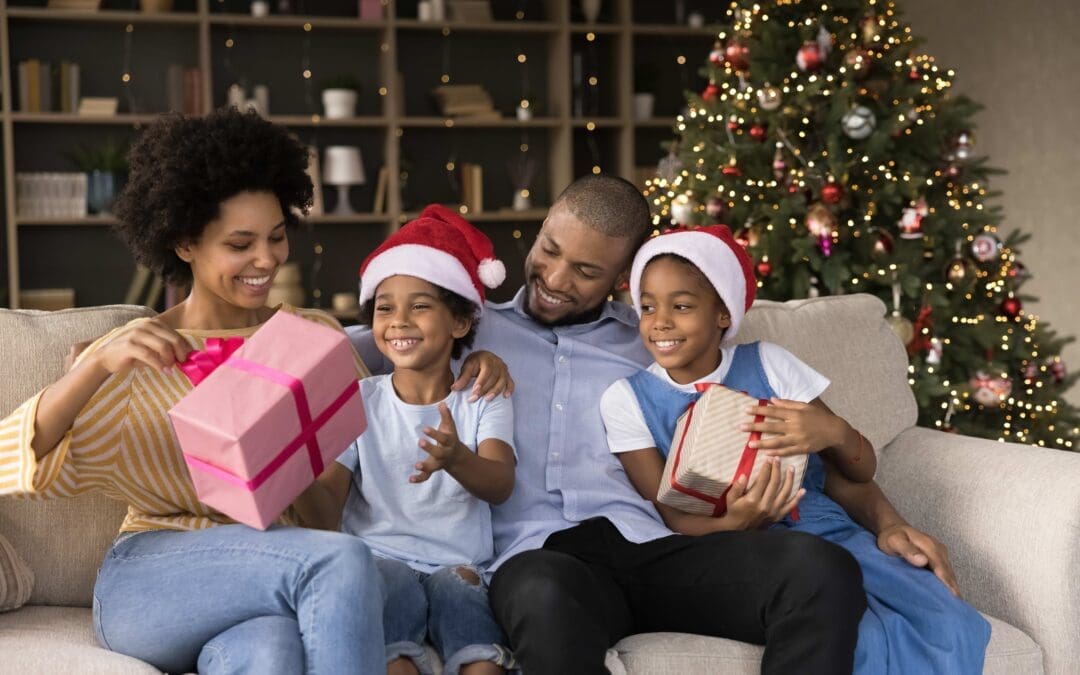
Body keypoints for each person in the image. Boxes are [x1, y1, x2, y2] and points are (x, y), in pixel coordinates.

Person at [349, 175, 964, 674]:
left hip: (658, 544)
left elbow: (812, 444)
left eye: (586, 272)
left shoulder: (659, 337)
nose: (557, 279)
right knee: (542, 593)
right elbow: (341, 348)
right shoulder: (461, 325)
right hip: (537, 556)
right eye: (549, 250)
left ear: (623, 280)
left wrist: (891, 524)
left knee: (817, 568)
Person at [0, 108, 384, 674]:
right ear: (184, 244)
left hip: (271, 569)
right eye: (240, 243)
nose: (266, 260)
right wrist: (93, 368)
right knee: (341, 563)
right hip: (151, 577)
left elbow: (326, 520)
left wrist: (287, 451)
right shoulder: (136, 355)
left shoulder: (313, 341)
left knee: (272, 652)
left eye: (277, 237)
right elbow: (11, 462)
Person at [601, 224, 991, 673]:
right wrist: (738, 521)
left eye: (682, 306)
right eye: (647, 307)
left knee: (949, 620)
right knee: (854, 635)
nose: (660, 322)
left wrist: (834, 432)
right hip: (738, 551)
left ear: (723, 314)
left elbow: (857, 471)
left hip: (827, 528)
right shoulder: (628, 399)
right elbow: (671, 515)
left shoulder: (767, 363)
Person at [295, 205, 517, 675]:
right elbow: (325, 511)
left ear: (459, 323)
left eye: (419, 306)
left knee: (465, 607)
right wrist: (291, 468)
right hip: (378, 559)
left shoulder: (482, 397)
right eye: (384, 308)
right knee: (388, 614)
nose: (399, 321)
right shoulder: (356, 400)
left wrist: (457, 457)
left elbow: (500, 484)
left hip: (459, 563)